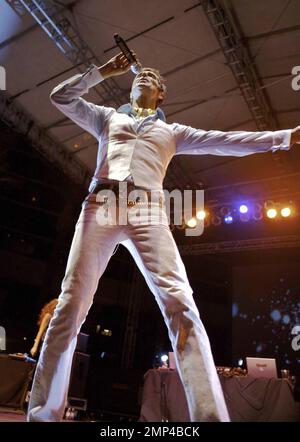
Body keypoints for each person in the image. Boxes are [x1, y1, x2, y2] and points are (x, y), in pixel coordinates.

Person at [27, 51, 300, 422]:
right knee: (71, 305)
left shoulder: (172, 132)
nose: (146, 76)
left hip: (148, 210)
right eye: (143, 74)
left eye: (153, 78)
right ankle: (43, 416)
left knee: (181, 302)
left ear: (161, 97)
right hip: (100, 205)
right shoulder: (108, 118)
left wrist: (283, 137)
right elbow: (61, 97)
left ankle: (209, 418)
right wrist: (101, 72)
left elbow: (227, 140)